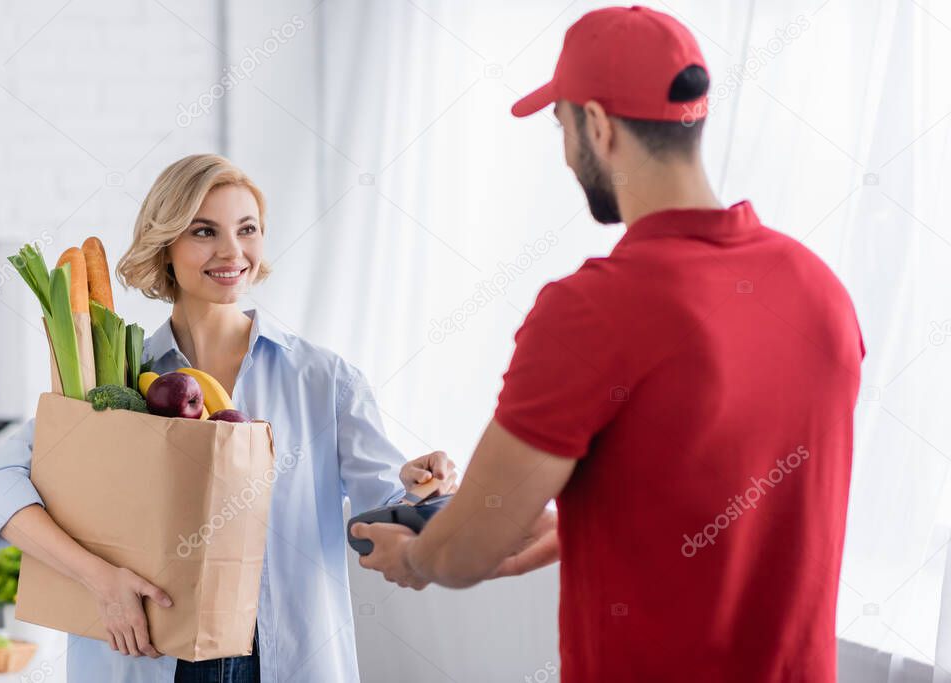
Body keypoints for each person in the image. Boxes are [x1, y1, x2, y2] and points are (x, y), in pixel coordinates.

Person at [352, 6, 865, 682]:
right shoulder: (817, 287)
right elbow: (729, 479)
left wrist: (414, 560)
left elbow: (465, 549)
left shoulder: (593, 309)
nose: (564, 151)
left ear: (596, 125)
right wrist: (571, 525)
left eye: (561, 125)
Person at [0, 153, 457, 683]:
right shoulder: (119, 382)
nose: (232, 251)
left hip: (284, 657)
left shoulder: (322, 379)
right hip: (151, 658)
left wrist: (418, 486)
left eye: (248, 230)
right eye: (204, 231)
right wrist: (103, 582)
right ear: (166, 246)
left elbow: (384, 512)